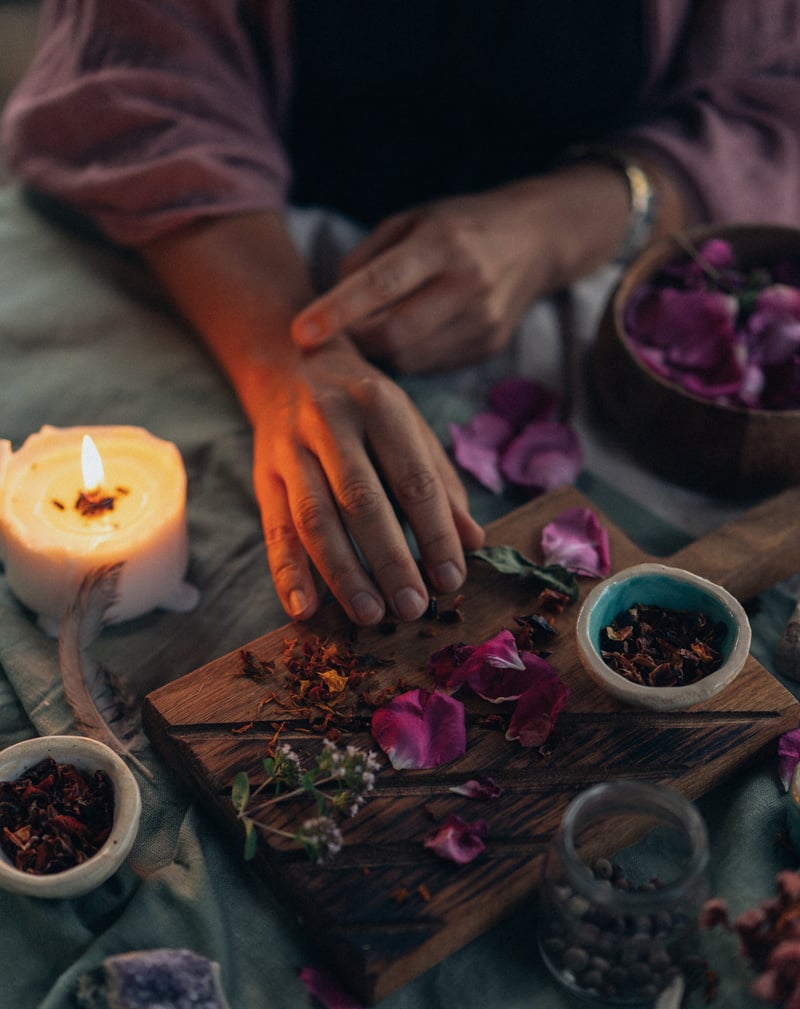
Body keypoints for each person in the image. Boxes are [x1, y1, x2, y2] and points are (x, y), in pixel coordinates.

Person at [3, 1, 800, 628]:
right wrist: (287, 353)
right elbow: (138, 84)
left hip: (636, 255)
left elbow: (781, 88)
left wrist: (570, 220)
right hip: (239, 247)